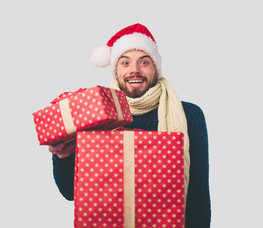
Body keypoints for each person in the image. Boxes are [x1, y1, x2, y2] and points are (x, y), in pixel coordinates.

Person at [49, 23, 211, 228]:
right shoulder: (95, 116)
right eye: (125, 63)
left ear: (156, 68)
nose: (134, 70)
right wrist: (62, 156)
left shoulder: (189, 115)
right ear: (116, 71)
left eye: (144, 62)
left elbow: (197, 194)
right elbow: (71, 193)